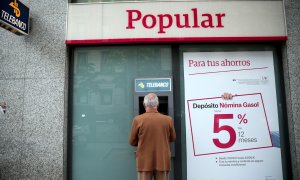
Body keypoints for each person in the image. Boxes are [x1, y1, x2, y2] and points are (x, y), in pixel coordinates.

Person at [129, 93, 176, 180]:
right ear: (157, 104)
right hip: (162, 161)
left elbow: (132, 141)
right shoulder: (168, 120)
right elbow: (172, 138)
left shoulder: (137, 120)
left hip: (144, 162)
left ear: (144, 104)